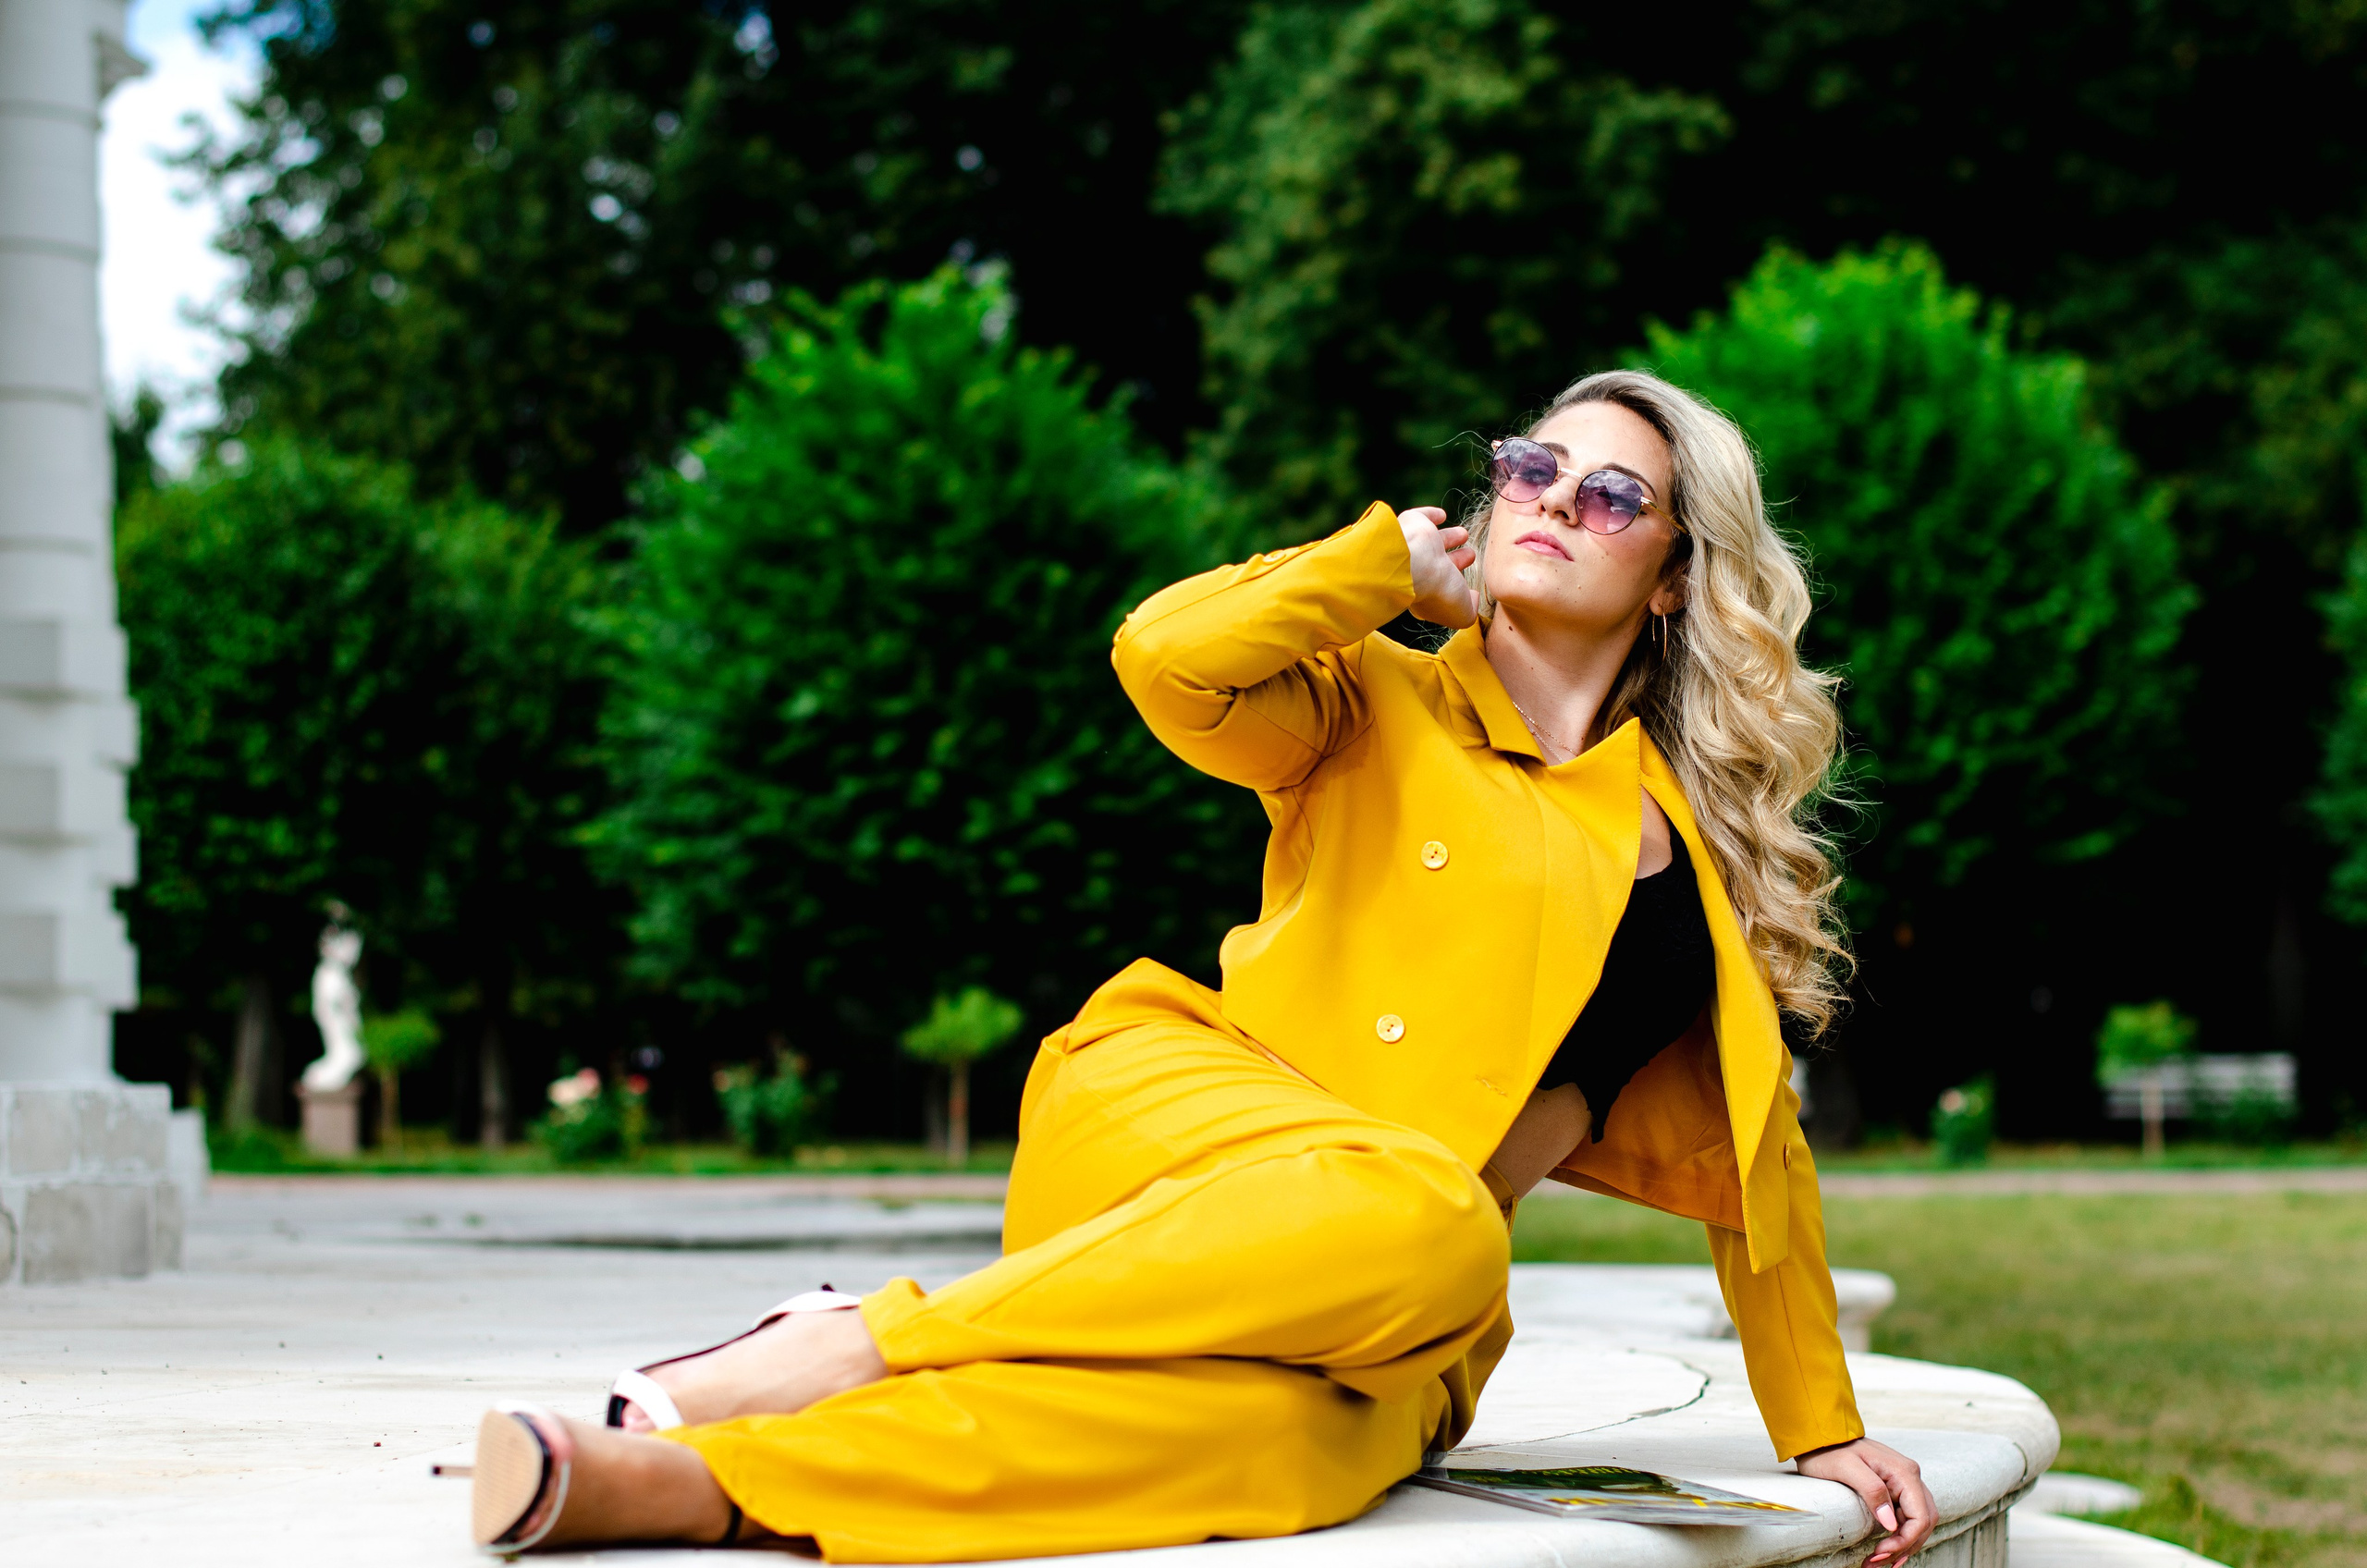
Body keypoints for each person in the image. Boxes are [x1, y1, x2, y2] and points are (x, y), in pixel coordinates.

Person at [464, 370, 1939, 1563]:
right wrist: (1376, 569)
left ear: (1676, 578)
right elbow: (1165, 656)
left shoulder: (1688, 853)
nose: (1549, 498)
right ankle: (852, 1344)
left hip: (1391, 1296)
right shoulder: (1373, 699)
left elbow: (1765, 1161)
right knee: (1438, 1220)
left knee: (1280, 1448)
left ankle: (684, 1489)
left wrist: (1820, 1427)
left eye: (1609, 493)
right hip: (1191, 1125)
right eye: (1525, 467)